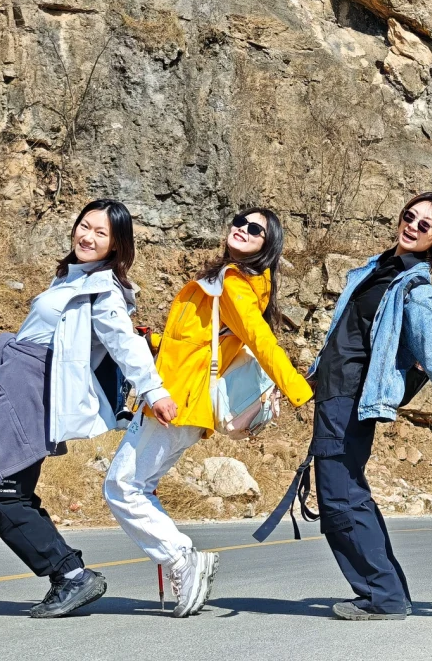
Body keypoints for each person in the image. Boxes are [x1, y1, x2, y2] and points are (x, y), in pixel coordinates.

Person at [103, 207, 313, 618]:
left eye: (255, 229)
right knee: (136, 487)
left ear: (268, 245)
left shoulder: (235, 283)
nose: (243, 229)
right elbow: (197, 343)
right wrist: (155, 342)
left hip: (175, 401)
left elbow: (262, 341)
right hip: (177, 396)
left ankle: (182, 560)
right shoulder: (232, 281)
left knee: (123, 487)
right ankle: (183, 563)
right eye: (240, 221)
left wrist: (301, 393)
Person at [0, 199, 171, 619]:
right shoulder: (70, 276)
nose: (88, 236)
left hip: (32, 393)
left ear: (116, 245)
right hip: (18, 386)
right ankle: (68, 574)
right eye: (85, 225)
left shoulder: (102, 289)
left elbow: (125, 343)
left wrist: (154, 391)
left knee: (0, 494)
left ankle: (71, 575)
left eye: (101, 233)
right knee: (8, 493)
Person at [308, 192, 432, 621]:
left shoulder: (414, 288)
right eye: (409, 216)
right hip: (333, 393)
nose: (412, 226)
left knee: (340, 497)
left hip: (351, 398)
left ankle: (382, 595)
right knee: (346, 494)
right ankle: (387, 592)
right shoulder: (376, 269)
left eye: (425, 226)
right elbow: (343, 339)